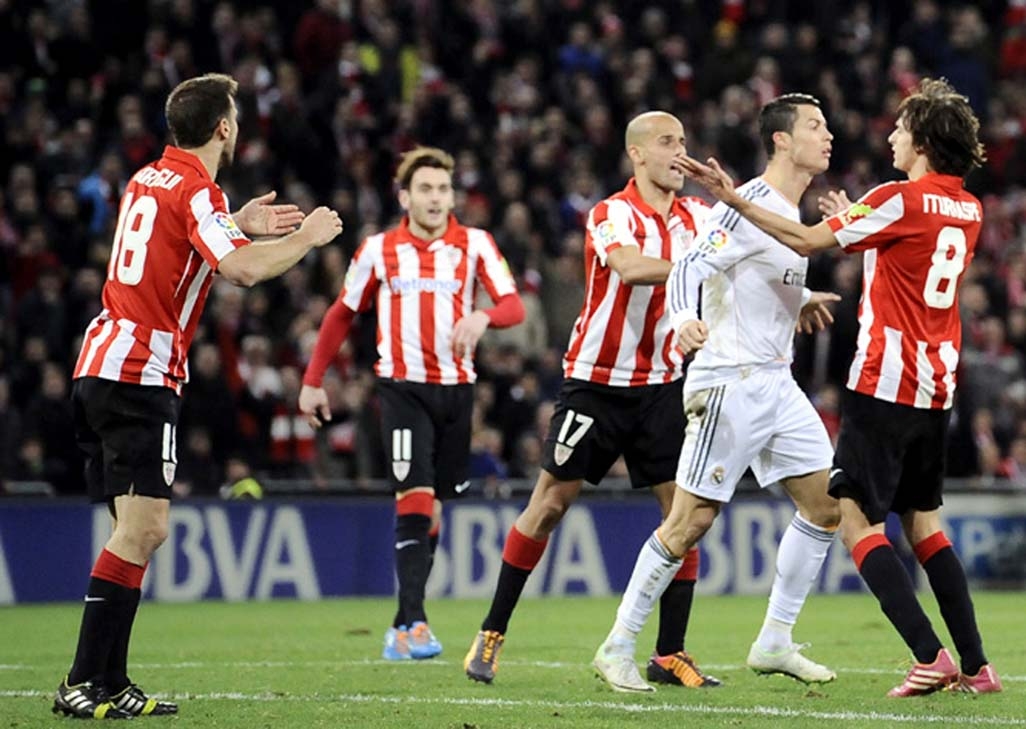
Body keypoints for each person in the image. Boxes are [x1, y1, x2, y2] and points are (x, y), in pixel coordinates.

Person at [682, 78, 1002, 696]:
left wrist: (731, 197)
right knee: (926, 526)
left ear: (925, 142)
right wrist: (854, 219)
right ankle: (977, 665)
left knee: (853, 519)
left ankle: (928, 655)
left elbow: (803, 240)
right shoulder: (969, 208)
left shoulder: (898, 198)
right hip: (936, 386)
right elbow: (906, 261)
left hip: (884, 385)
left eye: (902, 128)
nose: (892, 135)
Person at [54, 72, 343, 719]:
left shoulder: (149, 178)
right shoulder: (196, 189)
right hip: (140, 374)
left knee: (134, 531)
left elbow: (179, 238)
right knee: (146, 528)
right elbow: (239, 269)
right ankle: (81, 681)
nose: (237, 124)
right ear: (223, 128)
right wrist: (306, 238)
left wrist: (235, 220)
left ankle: (108, 679)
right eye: (234, 116)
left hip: (100, 362)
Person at [592, 94, 842, 693]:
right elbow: (690, 267)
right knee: (689, 522)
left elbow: (753, 276)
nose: (827, 135)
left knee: (827, 505)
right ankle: (618, 644)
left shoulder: (788, 211)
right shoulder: (749, 202)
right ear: (781, 140)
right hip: (729, 382)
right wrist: (681, 320)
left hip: (776, 382)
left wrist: (797, 300)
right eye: (815, 126)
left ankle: (775, 640)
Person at [463, 111, 722, 690]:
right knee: (550, 504)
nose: (680, 152)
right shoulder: (611, 213)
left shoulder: (698, 217)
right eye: (667, 142)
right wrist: (703, 263)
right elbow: (628, 269)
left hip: (663, 387)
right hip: (596, 383)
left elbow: (744, 256)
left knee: (684, 515)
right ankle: (492, 631)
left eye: (684, 141)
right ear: (637, 154)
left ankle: (670, 653)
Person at [299, 147, 525, 662]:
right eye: (425, 189)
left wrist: (484, 317)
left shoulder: (476, 245)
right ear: (405, 196)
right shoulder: (379, 249)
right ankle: (416, 623)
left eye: (443, 189)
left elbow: (512, 304)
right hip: (402, 388)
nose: (435, 198)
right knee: (416, 498)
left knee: (437, 506)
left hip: (457, 390)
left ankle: (403, 624)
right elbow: (341, 313)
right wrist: (313, 381)